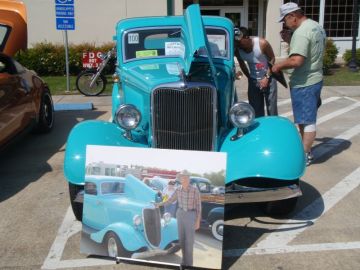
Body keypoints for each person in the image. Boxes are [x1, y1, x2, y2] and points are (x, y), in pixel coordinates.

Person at [271, 2, 326, 166]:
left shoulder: (301, 33)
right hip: (315, 78)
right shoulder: (316, 26)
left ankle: (304, 156)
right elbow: (311, 51)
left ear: (292, 16)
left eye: (284, 20)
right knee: (304, 118)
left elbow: (297, 60)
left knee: (307, 120)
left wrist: (278, 65)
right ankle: (306, 151)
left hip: (305, 82)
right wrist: (291, 39)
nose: (284, 24)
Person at [155, 171, 201, 266]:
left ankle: (189, 264)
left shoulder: (195, 190)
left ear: (188, 178)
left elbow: (198, 206)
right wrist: (158, 204)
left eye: (184, 177)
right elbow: (170, 200)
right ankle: (184, 262)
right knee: (182, 240)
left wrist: (197, 221)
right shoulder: (178, 190)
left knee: (189, 241)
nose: (182, 179)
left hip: (191, 215)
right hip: (180, 214)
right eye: (181, 177)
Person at [234, 26, 278, 117]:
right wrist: (249, 77)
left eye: (240, 42)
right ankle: (260, 130)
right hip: (254, 81)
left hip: (268, 78)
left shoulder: (262, 43)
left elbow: (272, 59)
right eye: (236, 43)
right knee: (255, 111)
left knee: (272, 110)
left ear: (247, 37)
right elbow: (242, 64)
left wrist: (266, 77)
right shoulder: (238, 50)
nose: (238, 45)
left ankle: (273, 128)